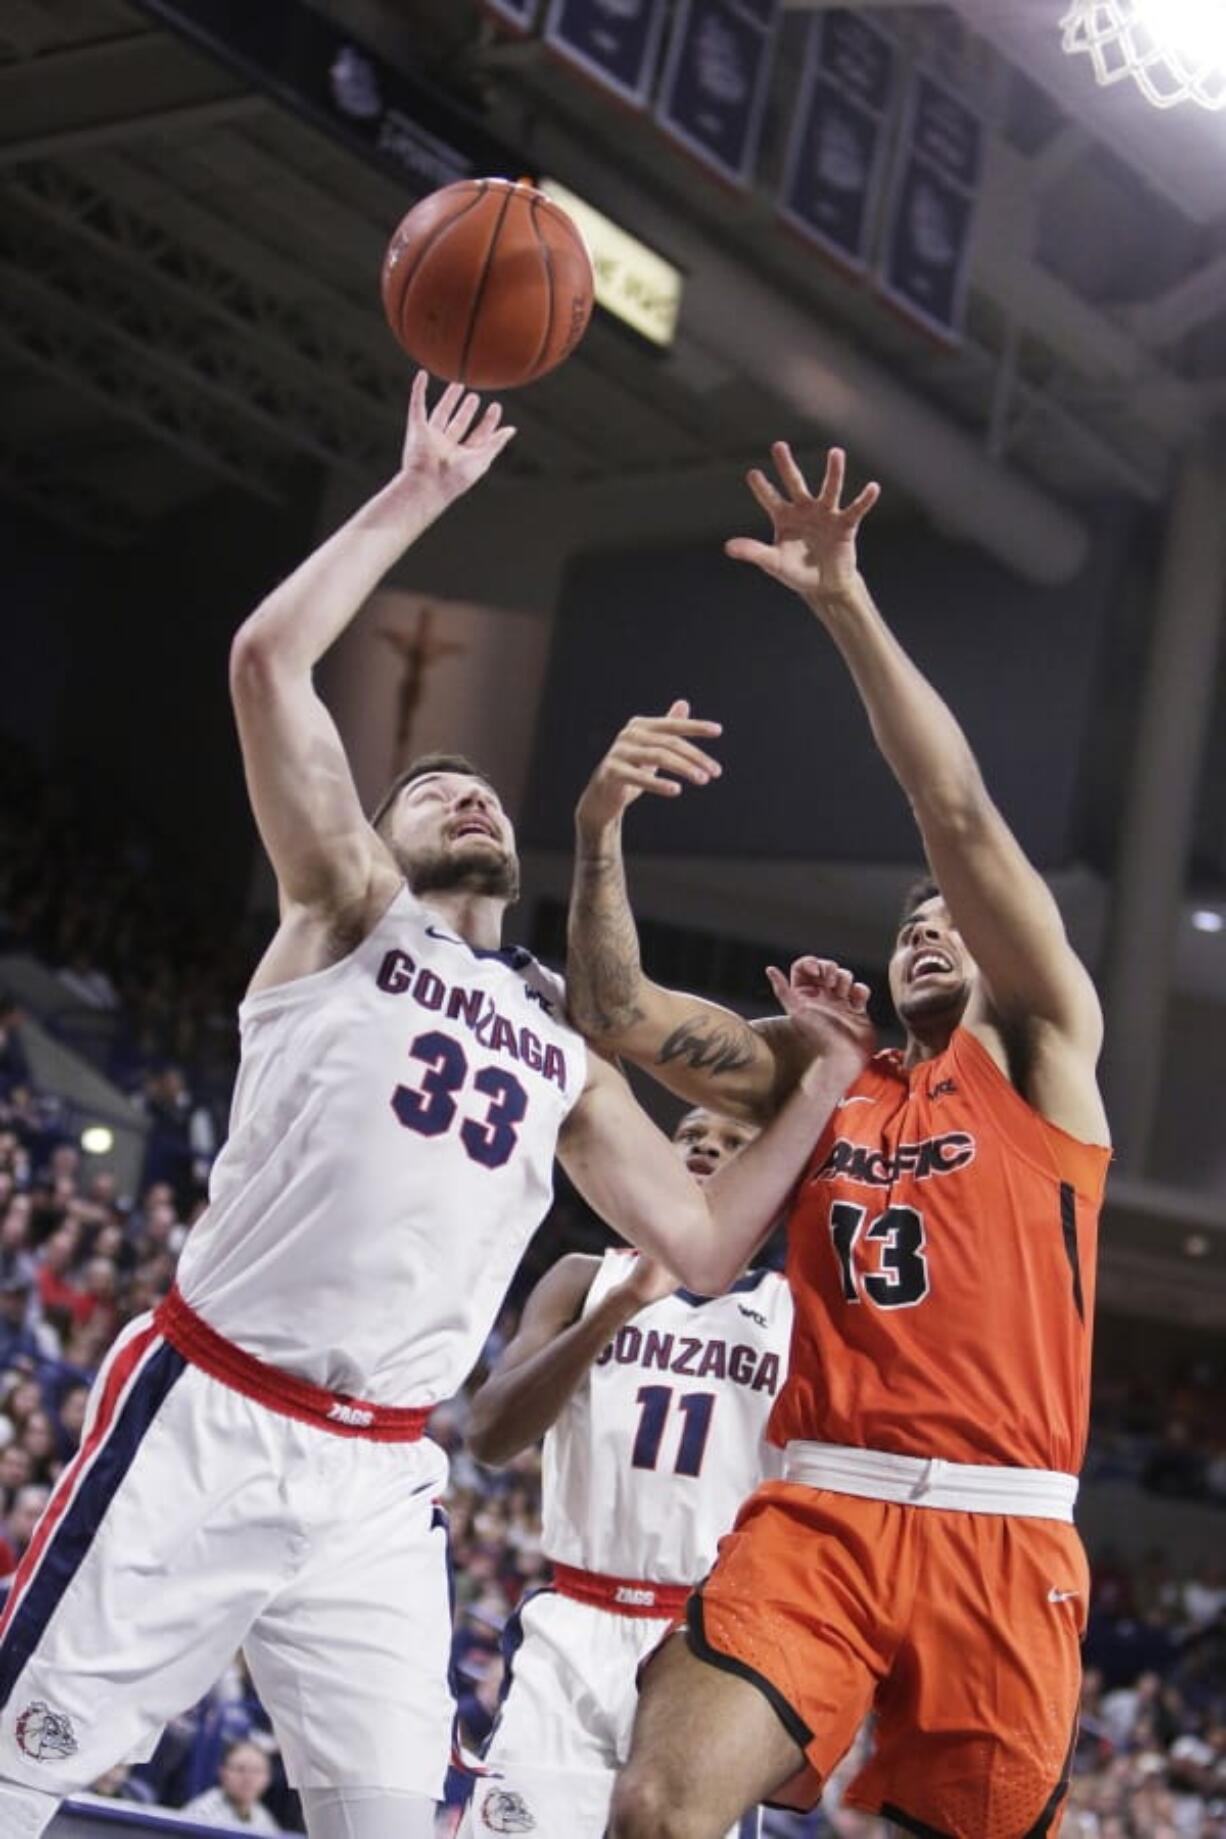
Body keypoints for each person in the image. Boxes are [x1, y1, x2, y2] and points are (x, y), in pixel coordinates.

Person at [0, 381, 873, 1839]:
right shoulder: (349, 912)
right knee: (17, 1770)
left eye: (479, 792)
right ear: (378, 839)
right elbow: (269, 661)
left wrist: (830, 1080)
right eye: (431, 790)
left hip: (381, 1476)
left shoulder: (564, 1050)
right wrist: (417, 491)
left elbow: (704, 1241)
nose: (466, 799)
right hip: (213, 1405)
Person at [568, 443, 1112, 1839]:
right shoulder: (823, 1086)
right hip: (822, 1508)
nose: (929, 918)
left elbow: (956, 812)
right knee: (655, 1807)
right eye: (907, 916)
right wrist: (597, 831)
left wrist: (841, 601)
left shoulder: (1047, 1054)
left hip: (1004, 1528)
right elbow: (620, 1010)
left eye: (953, 915)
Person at [459, 1107, 790, 1839]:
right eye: (690, 1131)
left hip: (708, 1644)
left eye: (737, 1141)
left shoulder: (800, 1313)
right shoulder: (585, 1277)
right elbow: (488, 1433)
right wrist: (623, 1305)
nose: (706, 1142)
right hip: (576, 1622)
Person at [182, 1739, 280, 1834]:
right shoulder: (201, 1813)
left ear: (268, 1778)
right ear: (223, 1773)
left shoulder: (264, 1818)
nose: (248, 1778)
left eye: (257, 1771)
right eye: (240, 1769)